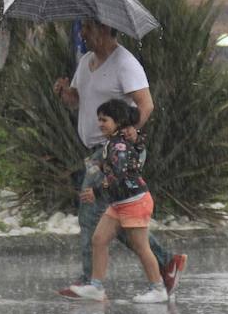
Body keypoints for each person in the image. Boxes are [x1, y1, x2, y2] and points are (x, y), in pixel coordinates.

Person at [53, 19, 187, 297]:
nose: (82, 33)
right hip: (95, 152)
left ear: (104, 29)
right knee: (117, 219)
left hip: (113, 152)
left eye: (87, 28)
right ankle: (166, 262)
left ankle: (91, 282)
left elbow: (146, 104)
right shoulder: (86, 61)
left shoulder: (125, 63)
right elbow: (78, 100)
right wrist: (64, 94)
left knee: (90, 212)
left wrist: (129, 134)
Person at [69, 99, 166, 302]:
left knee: (141, 247)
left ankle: (158, 289)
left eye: (104, 120)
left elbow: (119, 176)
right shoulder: (114, 142)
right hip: (119, 203)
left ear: (118, 121)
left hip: (134, 202)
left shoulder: (119, 146)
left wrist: (97, 190)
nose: (100, 124)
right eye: (99, 119)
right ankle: (96, 287)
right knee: (99, 240)